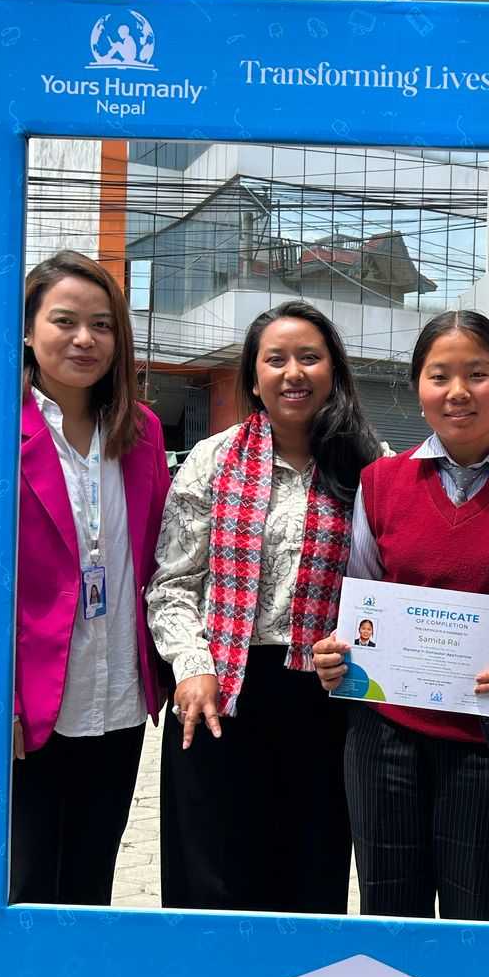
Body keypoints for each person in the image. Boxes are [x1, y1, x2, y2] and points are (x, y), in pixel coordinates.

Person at [314, 310, 489, 923]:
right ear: (417, 387)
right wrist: (339, 652)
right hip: (385, 737)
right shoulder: (380, 483)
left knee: (477, 916)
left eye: (477, 374)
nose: (458, 392)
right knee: (389, 914)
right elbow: (363, 597)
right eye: (440, 375)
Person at [146, 301, 381, 914]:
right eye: (275, 360)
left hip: (325, 698)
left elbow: (395, 579)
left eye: (309, 358)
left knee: (310, 880)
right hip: (219, 693)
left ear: (334, 371)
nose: (293, 373)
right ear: (254, 377)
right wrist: (191, 666)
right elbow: (172, 583)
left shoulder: (369, 465)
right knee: (212, 884)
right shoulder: (212, 459)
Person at [10, 250, 171, 905]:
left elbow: (160, 557)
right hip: (25, 705)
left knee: (89, 881)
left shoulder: (142, 431)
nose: (85, 339)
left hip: (117, 697)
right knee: (22, 885)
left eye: (102, 325)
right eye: (65, 321)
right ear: (27, 331)